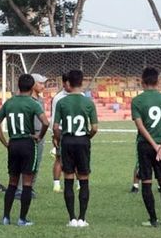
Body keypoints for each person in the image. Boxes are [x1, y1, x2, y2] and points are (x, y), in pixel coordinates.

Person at [0, 74, 49, 226]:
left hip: (14, 144)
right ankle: (22, 219)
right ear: (32, 87)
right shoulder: (33, 103)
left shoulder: (9, 103)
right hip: (28, 144)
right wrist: (39, 136)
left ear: (18, 85)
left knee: (12, 182)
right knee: (27, 183)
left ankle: (5, 217)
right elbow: (45, 122)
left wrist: (5, 142)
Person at [53, 70, 98, 228]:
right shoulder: (88, 103)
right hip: (83, 141)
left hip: (68, 140)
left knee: (69, 179)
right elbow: (94, 127)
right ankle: (82, 218)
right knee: (84, 179)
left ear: (68, 84)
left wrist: (60, 139)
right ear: (82, 83)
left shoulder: (61, 102)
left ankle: (72, 218)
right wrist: (86, 137)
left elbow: (56, 127)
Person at [131, 67, 161, 227]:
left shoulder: (137, 101)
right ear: (157, 81)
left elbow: (140, 126)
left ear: (142, 82)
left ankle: (153, 219)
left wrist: (154, 145)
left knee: (147, 181)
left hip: (145, 146)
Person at [50, 73, 70, 193]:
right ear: (63, 83)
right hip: (61, 131)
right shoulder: (58, 98)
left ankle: (79, 183)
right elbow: (53, 118)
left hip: (75, 130)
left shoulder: (81, 95)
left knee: (77, 158)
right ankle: (56, 185)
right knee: (59, 158)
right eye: (68, 82)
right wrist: (54, 135)